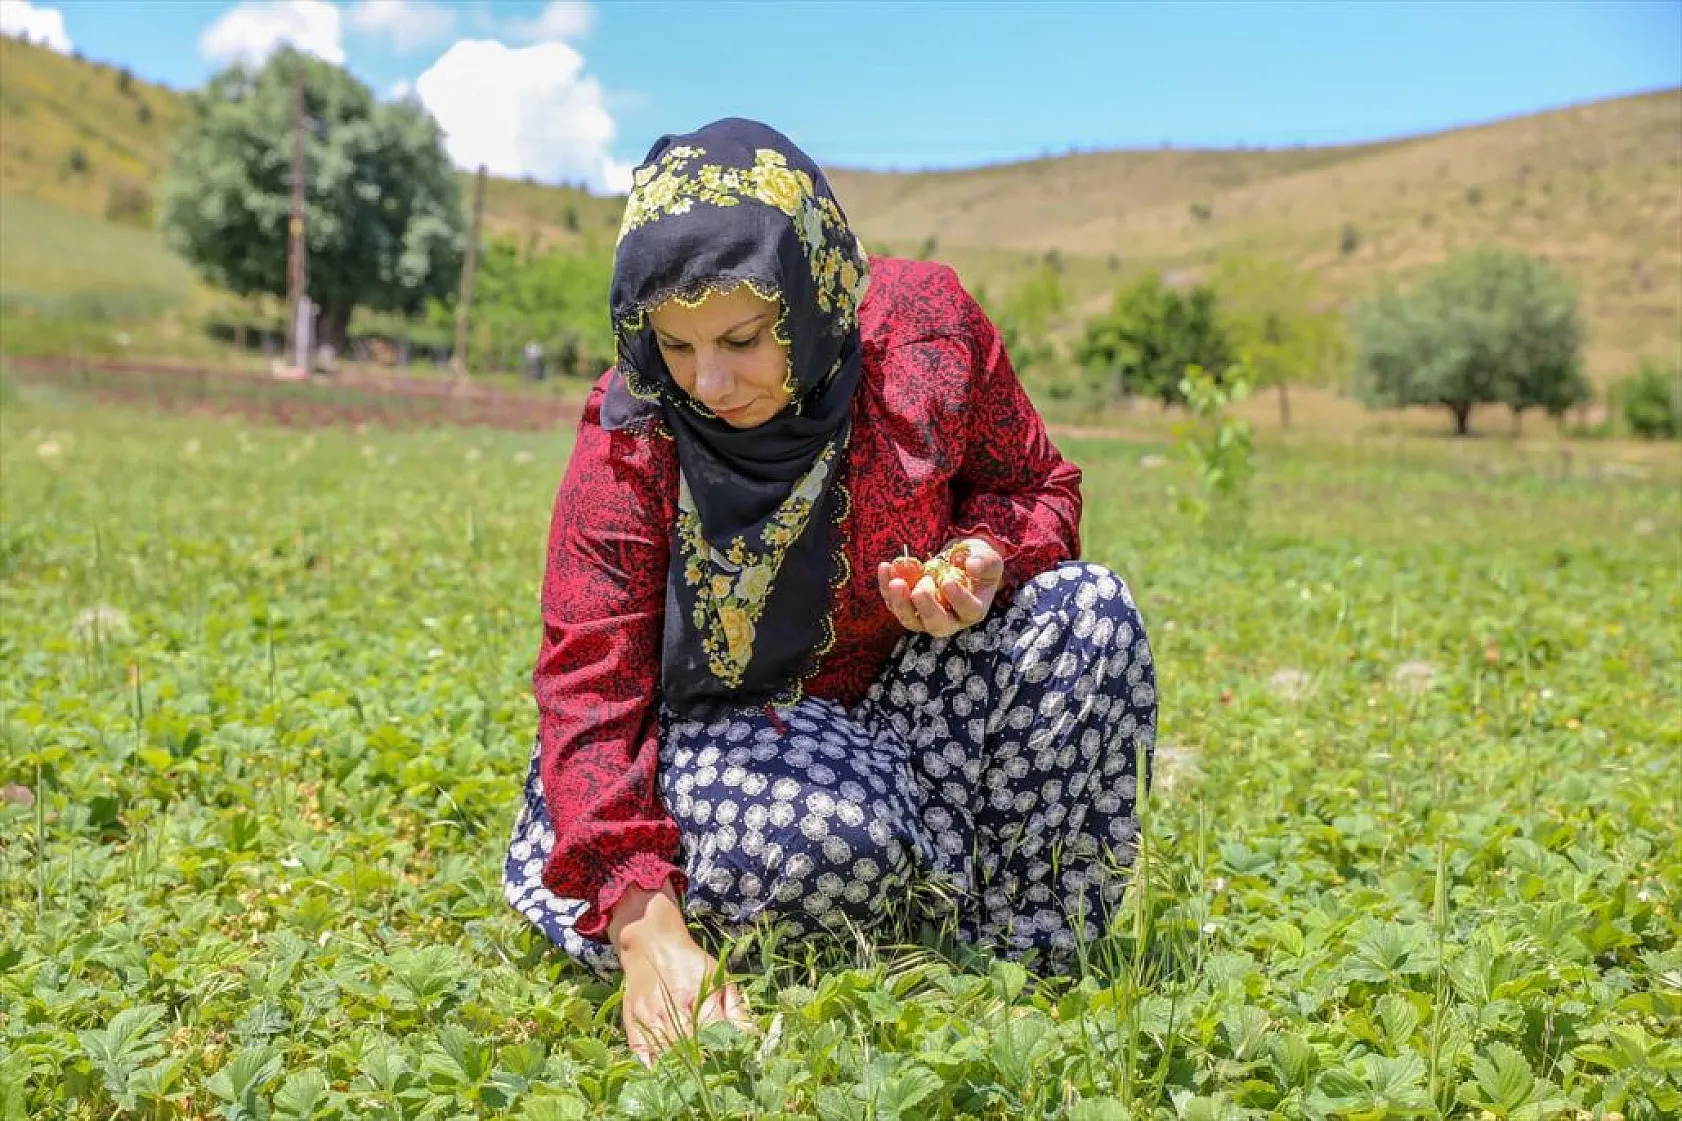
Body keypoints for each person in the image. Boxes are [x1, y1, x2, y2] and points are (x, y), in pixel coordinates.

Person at [502, 118, 1157, 1066]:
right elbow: (589, 678)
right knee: (828, 845)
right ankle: (876, 900)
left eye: (742, 338)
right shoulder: (634, 423)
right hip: (720, 740)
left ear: (812, 293)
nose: (710, 381)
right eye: (676, 344)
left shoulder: (926, 336)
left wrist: (984, 557)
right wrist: (646, 931)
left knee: (1092, 615)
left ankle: (1017, 963)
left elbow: (1036, 486)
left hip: (907, 710)